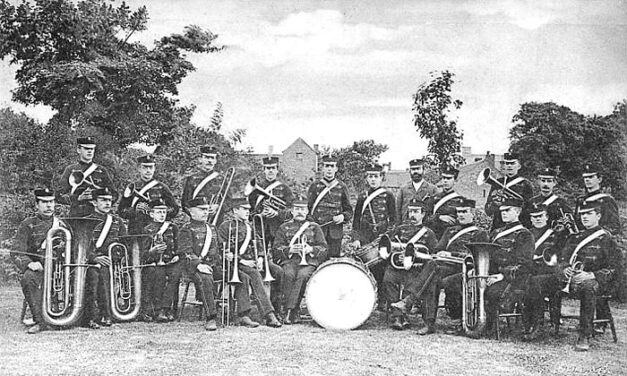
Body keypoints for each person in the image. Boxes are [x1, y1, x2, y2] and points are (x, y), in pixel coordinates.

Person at [558, 201, 621, 351]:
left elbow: (616, 267)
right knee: (542, 281)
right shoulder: (575, 236)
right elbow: (562, 259)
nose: (584, 217)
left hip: (595, 282)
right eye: (582, 214)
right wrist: (565, 268)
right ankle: (541, 326)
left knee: (588, 287)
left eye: (589, 214)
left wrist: (591, 275)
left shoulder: (606, 238)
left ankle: (584, 335)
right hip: (572, 279)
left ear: (598, 216)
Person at [217, 198, 282, 328]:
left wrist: (261, 258)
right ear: (235, 210)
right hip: (235, 263)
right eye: (244, 209)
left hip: (252, 260)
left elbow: (259, 243)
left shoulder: (250, 226)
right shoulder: (225, 226)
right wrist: (242, 261)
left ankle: (278, 308)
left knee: (277, 270)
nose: (248, 212)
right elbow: (223, 249)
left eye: (248, 209)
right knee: (253, 274)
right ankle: (266, 314)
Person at [12, 189, 67, 334]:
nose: (49, 206)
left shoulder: (62, 224)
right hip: (40, 268)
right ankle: (40, 321)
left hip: (60, 268)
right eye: (44, 202)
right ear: (37, 205)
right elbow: (17, 251)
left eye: (51, 202)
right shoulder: (27, 224)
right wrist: (30, 263)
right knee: (28, 278)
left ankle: (73, 317)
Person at [430, 198, 489, 331]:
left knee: (450, 281)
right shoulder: (450, 231)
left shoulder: (480, 233)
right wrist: (441, 253)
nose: (461, 215)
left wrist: (451, 255)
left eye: (465, 212)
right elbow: (437, 249)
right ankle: (429, 321)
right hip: (448, 266)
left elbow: (476, 258)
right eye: (459, 212)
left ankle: (457, 320)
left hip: (466, 269)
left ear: (473, 214)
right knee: (432, 274)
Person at [381, 199, 438, 332]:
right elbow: (388, 247)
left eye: (416, 212)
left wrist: (415, 255)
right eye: (411, 211)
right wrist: (397, 255)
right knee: (388, 280)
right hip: (397, 266)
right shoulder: (400, 229)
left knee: (411, 282)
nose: (412, 215)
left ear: (423, 214)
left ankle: (400, 315)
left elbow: (432, 255)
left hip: (417, 268)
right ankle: (399, 316)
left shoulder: (429, 233)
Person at [483, 197, 534, 337]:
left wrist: (502, 275)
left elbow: (524, 264)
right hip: (492, 275)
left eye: (507, 210)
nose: (503, 213)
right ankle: (473, 324)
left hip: (511, 279)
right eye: (502, 211)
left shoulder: (524, 234)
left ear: (517, 212)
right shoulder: (495, 232)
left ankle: (490, 327)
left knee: (491, 293)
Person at [246, 156, 291, 315]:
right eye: (267, 168)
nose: (270, 171)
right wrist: (260, 212)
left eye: (273, 168)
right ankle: (257, 301)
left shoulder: (284, 189)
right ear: (263, 170)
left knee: (277, 268)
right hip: (260, 231)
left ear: (277, 169)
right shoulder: (256, 188)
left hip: (278, 232)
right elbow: (249, 210)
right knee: (259, 265)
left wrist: (276, 212)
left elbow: (291, 211)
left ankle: (276, 305)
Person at [273, 199, 328, 324]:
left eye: (302, 209)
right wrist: (289, 249)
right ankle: (289, 310)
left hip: (309, 261)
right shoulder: (284, 227)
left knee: (302, 276)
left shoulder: (314, 227)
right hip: (290, 261)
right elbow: (276, 248)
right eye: (297, 209)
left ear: (307, 211)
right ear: (292, 211)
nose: (300, 212)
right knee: (288, 275)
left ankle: (292, 310)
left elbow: (324, 248)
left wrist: (311, 249)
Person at [351, 163, 395, 307]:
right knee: (367, 268)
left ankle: (384, 300)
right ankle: (368, 299)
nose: (373, 179)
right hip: (365, 236)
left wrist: (386, 237)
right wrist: (356, 238)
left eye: (376, 176)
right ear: (367, 179)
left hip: (382, 237)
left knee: (383, 268)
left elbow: (394, 220)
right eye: (370, 176)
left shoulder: (388, 195)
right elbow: (356, 220)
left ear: (381, 177)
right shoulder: (363, 196)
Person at [85, 188, 128, 329]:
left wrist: (117, 257)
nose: (107, 203)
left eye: (109, 200)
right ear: (94, 202)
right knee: (94, 274)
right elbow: (81, 246)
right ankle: (93, 316)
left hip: (113, 262)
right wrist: (94, 258)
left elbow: (125, 244)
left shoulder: (117, 221)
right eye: (103, 200)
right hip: (90, 263)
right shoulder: (85, 221)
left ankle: (106, 313)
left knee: (104, 271)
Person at [522, 203, 565, 341]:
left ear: (546, 217)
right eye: (534, 217)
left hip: (551, 275)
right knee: (527, 280)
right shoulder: (525, 234)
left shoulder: (556, 234)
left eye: (540, 216)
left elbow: (562, 256)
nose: (538, 219)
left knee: (534, 282)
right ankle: (527, 322)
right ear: (530, 219)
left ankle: (538, 325)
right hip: (530, 272)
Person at [178, 197, 221, 331]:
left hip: (214, 265)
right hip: (194, 267)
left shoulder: (212, 228)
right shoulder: (186, 229)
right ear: (191, 212)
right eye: (201, 210)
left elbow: (219, 249)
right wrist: (198, 264)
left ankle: (246, 314)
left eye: (207, 210)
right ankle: (211, 317)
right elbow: (185, 252)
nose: (205, 212)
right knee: (206, 278)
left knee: (244, 275)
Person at [141, 198, 180, 322]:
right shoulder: (147, 229)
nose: (162, 215)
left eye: (164, 212)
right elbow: (143, 253)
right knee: (158, 274)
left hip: (170, 262)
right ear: (152, 214)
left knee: (175, 274)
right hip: (154, 263)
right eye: (159, 212)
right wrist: (152, 251)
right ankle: (158, 310)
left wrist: (177, 256)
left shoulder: (173, 227)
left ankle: (167, 309)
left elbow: (179, 246)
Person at [56, 137, 117, 217]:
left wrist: (100, 200)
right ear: (79, 149)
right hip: (77, 215)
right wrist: (78, 198)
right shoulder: (70, 169)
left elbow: (114, 194)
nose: (90, 151)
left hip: (98, 215)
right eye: (86, 148)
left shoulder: (101, 170)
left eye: (92, 149)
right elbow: (58, 195)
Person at [119, 155, 179, 235]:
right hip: (136, 230)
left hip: (157, 230)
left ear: (154, 169)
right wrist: (136, 210)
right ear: (139, 168)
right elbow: (122, 211)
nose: (148, 171)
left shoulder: (161, 187)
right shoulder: (131, 187)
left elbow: (174, 208)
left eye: (151, 167)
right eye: (144, 167)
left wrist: (158, 212)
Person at [307, 155, 353, 257]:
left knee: (333, 262)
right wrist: (313, 224)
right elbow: (308, 209)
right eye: (327, 166)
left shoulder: (342, 187)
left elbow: (349, 211)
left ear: (336, 169)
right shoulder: (315, 186)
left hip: (335, 233)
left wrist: (343, 217)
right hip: (318, 232)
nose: (329, 169)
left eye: (332, 166)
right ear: (322, 168)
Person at [181, 145, 231, 224]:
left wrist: (218, 207)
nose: (210, 161)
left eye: (212, 158)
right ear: (200, 159)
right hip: (197, 223)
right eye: (207, 157)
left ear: (215, 161)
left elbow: (229, 201)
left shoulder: (221, 179)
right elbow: (185, 203)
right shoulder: (192, 178)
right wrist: (196, 213)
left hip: (216, 221)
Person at [484, 152, 533, 230]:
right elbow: (487, 210)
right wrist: (496, 203)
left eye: (513, 163)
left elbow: (529, 208)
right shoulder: (497, 183)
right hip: (498, 226)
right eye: (507, 163)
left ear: (519, 166)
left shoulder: (525, 184)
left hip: (517, 226)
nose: (509, 166)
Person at [573, 164, 621, 235]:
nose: (587, 179)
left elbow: (614, 226)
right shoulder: (581, 200)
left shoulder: (606, 200)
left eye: (591, 177)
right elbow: (577, 222)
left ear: (599, 179)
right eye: (585, 177)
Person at [395, 158, 439, 225]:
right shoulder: (403, 189)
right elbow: (398, 211)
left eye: (418, 169)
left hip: (425, 228)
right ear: (410, 171)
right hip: (406, 227)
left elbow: (436, 211)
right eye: (413, 169)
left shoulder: (432, 189)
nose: (415, 172)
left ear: (423, 170)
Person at [424, 165, 464, 238]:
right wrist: (439, 217)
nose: (445, 180)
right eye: (443, 178)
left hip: (451, 236)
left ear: (455, 181)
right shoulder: (433, 199)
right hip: (434, 236)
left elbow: (464, 222)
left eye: (449, 178)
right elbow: (425, 219)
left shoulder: (461, 201)